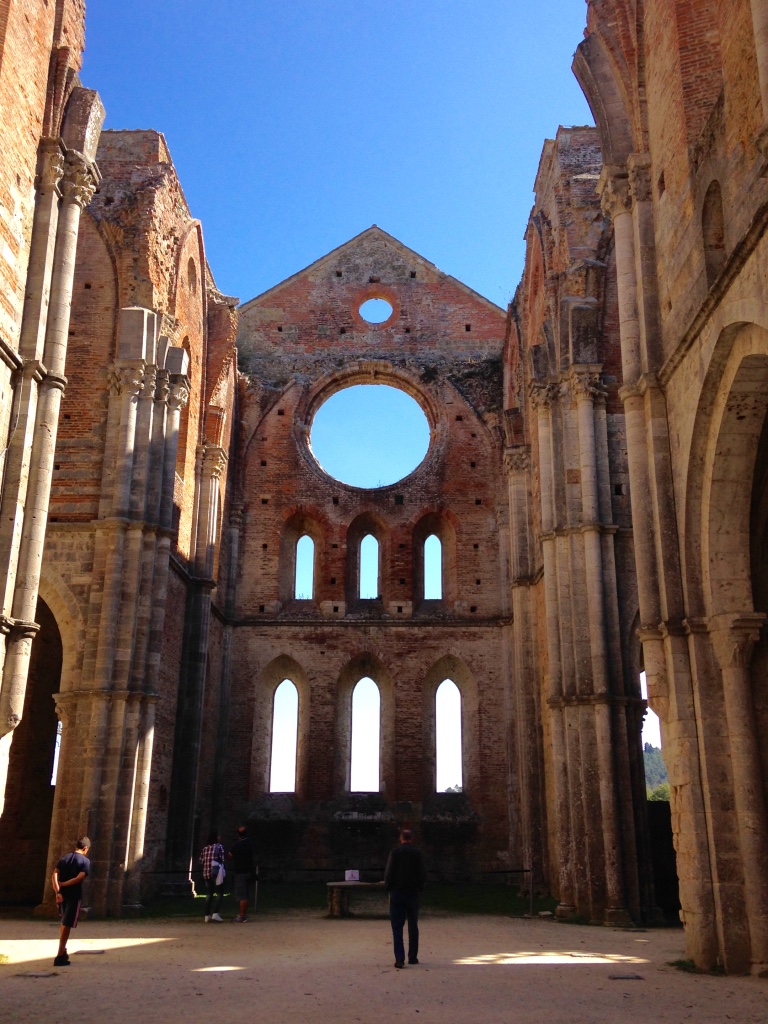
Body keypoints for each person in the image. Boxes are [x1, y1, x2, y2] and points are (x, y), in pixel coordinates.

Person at [384, 828, 427, 968]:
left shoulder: (395, 852)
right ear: (411, 839)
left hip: (397, 892)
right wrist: (420, 888)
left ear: (401, 839)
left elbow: (389, 873)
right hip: (412, 893)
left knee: (397, 926)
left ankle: (399, 958)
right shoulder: (417, 853)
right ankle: (412, 957)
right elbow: (422, 873)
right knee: (413, 925)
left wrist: (389, 887)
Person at [51, 837, 91, 967]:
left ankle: (63, 952)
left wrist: (58, 891)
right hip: (74, 896)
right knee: (67, 924)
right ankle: (59, 955)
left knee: (64, 922)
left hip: (62, 895)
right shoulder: (85, 861)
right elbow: (79, 878)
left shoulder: (65, 858)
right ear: (85, 848)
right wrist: (64, 884)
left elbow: (54, 874)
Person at [228, 824, 257, 922]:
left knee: (242, 895)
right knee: (246, 894)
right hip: (249, 871)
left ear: (238, 834)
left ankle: (242, 916)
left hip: (240, 872)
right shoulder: (250, 844)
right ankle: (244, 914)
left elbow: (229, 856)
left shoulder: (237, 845)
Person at [199, 830, 225, 922]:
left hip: (206, 873)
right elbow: (222, 859)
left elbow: (201, 861)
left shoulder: (204, 849)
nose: (219, 837)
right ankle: (215, 913)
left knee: (209, 894)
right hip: (216, 873)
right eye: (218, 836)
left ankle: (207, 915)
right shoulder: (219, 847)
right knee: (219, 893)